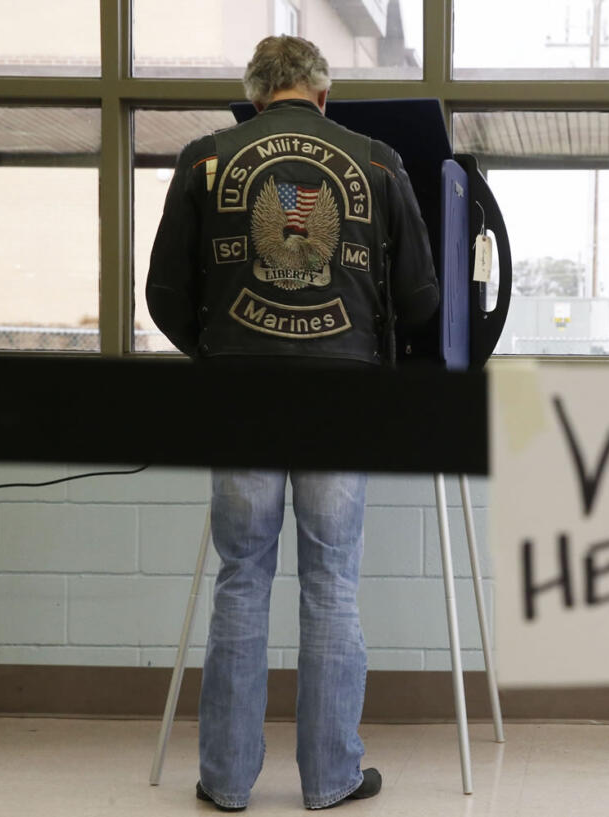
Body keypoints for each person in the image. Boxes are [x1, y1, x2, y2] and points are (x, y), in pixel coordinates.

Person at [146, 35, 438, 811]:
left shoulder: (207, 158)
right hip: (342, 392)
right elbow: (420, 296)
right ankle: (331, 776)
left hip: (239, 389)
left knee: (241, 578)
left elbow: (166, 294)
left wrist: (215, 353)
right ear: (321, 93)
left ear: (255, 93)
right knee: (332, 581)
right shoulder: (375, 160)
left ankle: (228, 778)